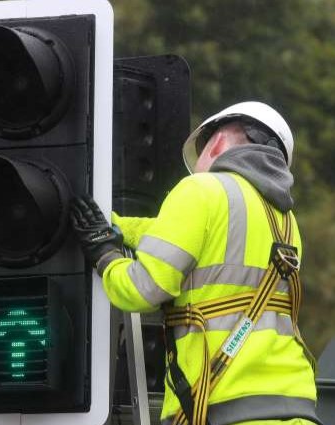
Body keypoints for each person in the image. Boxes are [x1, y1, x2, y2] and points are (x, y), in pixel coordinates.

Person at [70, 101, 320, 425]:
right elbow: (175, 234)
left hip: (225, 407)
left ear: (215, 143)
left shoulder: (201, 189)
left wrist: (103, 253)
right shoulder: (285, 221)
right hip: (295, 406)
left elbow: (140, 290)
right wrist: (116, 225)